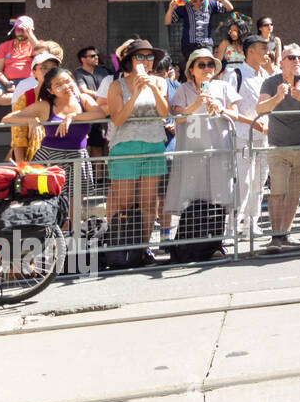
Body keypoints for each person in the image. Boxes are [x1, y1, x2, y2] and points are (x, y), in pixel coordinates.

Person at [165, 50, 251, 239]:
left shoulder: (223, 86)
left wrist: (221, 109)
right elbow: (178, 118)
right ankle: (192, 239)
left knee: (219, 195)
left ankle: (216, 240)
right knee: (193, 196)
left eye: (210, 64)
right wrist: (197, 104)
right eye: (201, 65)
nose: (206, 69)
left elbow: (235, 114)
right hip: (192, 152)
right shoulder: (183, 89)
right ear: (192, 70)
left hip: (219, 150)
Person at [4, 67, 109, 211]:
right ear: (50, 90)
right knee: (48, 205)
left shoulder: (83, 100)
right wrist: (30, 120)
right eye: (58, 85)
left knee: (75, 207)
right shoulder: (45, 105)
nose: (66, 86)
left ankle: (71, 233)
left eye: (68, 81)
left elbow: (100, 113)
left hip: (78, 157)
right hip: (50, 158)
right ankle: (50, 233)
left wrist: (72, 116)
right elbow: (8, 118)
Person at [106, 40, 171, 253]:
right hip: (125, 147)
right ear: (130, 60)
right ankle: (125, 247)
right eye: (140, 57)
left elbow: (164, 112)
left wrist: (151, 86)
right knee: (124, 202)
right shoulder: (117, 85)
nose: (146, 61)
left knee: (149, 202)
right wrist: (135, 93)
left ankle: (143, 248)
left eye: (149, 57)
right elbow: (117, 119)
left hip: (153, 145)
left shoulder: (159, 82)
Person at [257, 43, 300, 252]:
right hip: (278, 146)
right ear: (282, 62)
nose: (297, 61)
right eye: (292, 58)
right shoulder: (271, 82)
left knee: (295, 193)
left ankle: (286, 232)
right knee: (277, 192)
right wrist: (278, 97)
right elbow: (260, 108)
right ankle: (275, 237)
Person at [228, 35, 273, 239]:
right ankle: (232, 226)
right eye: (262, 49)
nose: (267, 53)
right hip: (242, 136)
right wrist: (253, 122)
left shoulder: (267, 75)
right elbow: (229, 108)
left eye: (267, 48)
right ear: (250, 51)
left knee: (260, 181)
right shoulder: (235, 73)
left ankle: (251, 223)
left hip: (264, 138)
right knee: (243, 182)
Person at [9, 46, 63, 163]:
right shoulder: (26, 97)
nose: (49, 72)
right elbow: (17, 135)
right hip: (37, 161)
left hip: (67, 158)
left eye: (53, 68)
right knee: (42, 182)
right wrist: (21, 167)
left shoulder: (67, 95)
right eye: (43, 68)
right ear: (34, 72)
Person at [165, 0, 233, 75]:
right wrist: (171, 9)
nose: (198, 3)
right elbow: (167, 21)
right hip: (189, 44)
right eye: (195, 0)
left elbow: (229, 8)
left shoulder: (210, 4)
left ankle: (205, 87)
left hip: (206, 43)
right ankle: (192, 87)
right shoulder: (184, 7)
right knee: (191, 69)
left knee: (207, 67)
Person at [0, 15, 39, 89]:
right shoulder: (4, 46)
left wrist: (30, 34)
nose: (21, 33)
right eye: (18, 30)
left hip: (30, 81)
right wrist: (7, 83)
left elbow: (41, 52)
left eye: (24, 30)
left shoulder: (37, 44)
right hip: (7, 81)